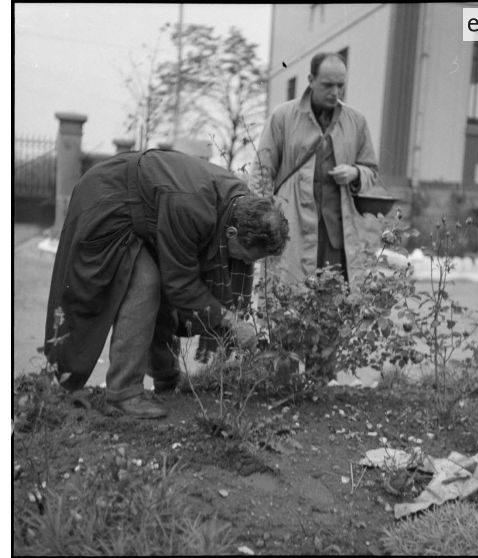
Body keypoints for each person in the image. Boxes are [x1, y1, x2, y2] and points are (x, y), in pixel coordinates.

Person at [44, 148, 289, 419]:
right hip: (107, 200)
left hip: (147, 208)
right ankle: (123, 393)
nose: (241, 264)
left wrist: (229, 318)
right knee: (146, 285)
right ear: (231, 233)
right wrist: (229, 320)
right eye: (243, 257)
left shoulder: (241, 204)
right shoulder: (192, 207)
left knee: (158, 284)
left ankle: (166, 377)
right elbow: (181, 284)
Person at [249, 52, 383, 285]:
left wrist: (355, 173)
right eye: (328, 85)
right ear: (311, 80)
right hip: (292, 230)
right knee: (289, 293)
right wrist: (263, 220)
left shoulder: (356, 121)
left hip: (337, 239)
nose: (335, 92)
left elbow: (371, 171)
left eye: (341, 85)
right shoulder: (283, 117)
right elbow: (262, 171)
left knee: (334, 299)